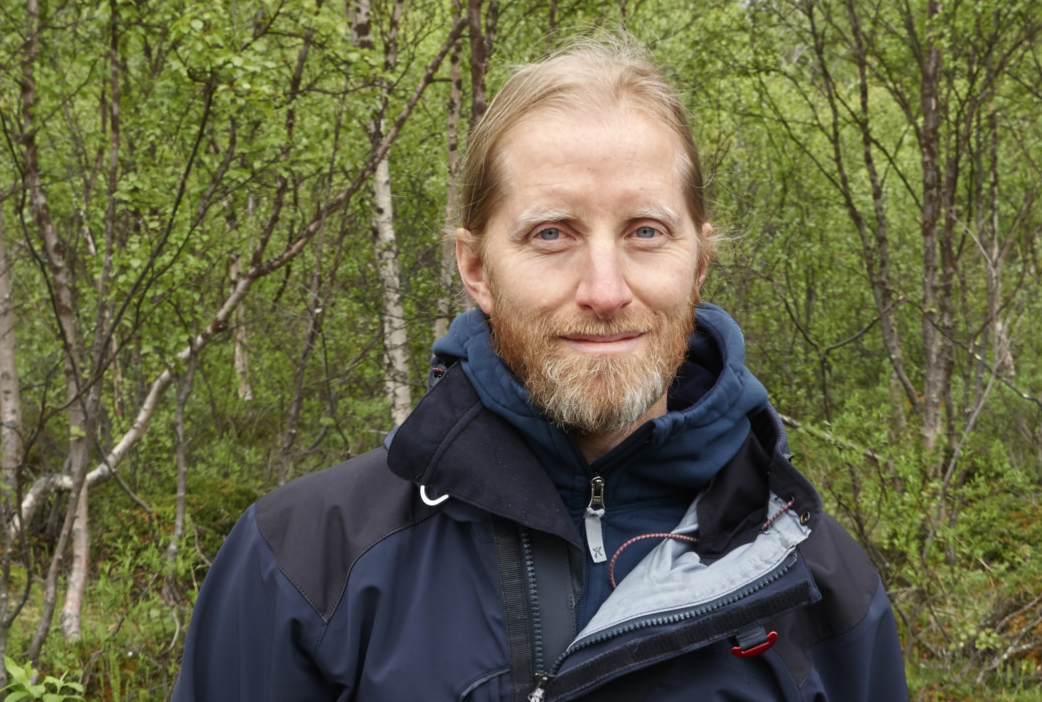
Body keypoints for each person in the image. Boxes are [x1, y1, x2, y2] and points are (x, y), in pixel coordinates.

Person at [172, 36, 909, 702]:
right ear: (476, 268)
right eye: (552, 234)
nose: (605, 290)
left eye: (646, 231)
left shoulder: (821, 586)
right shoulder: (304, 562)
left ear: (699, 263)